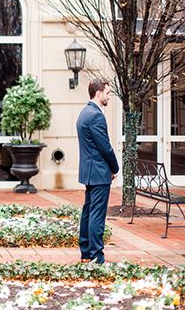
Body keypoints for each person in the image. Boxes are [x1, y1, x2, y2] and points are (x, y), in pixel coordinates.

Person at [76, 79, 120, 265]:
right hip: (99, 172)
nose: (109, 96)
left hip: (89, 171)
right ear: (98, 93)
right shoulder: (95, 115)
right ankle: (96, 256)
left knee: (88, 212)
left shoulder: (84, 113)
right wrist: (115, 168)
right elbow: (105, 147)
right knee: (96, 215)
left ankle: (86, 253)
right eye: (108, 93)